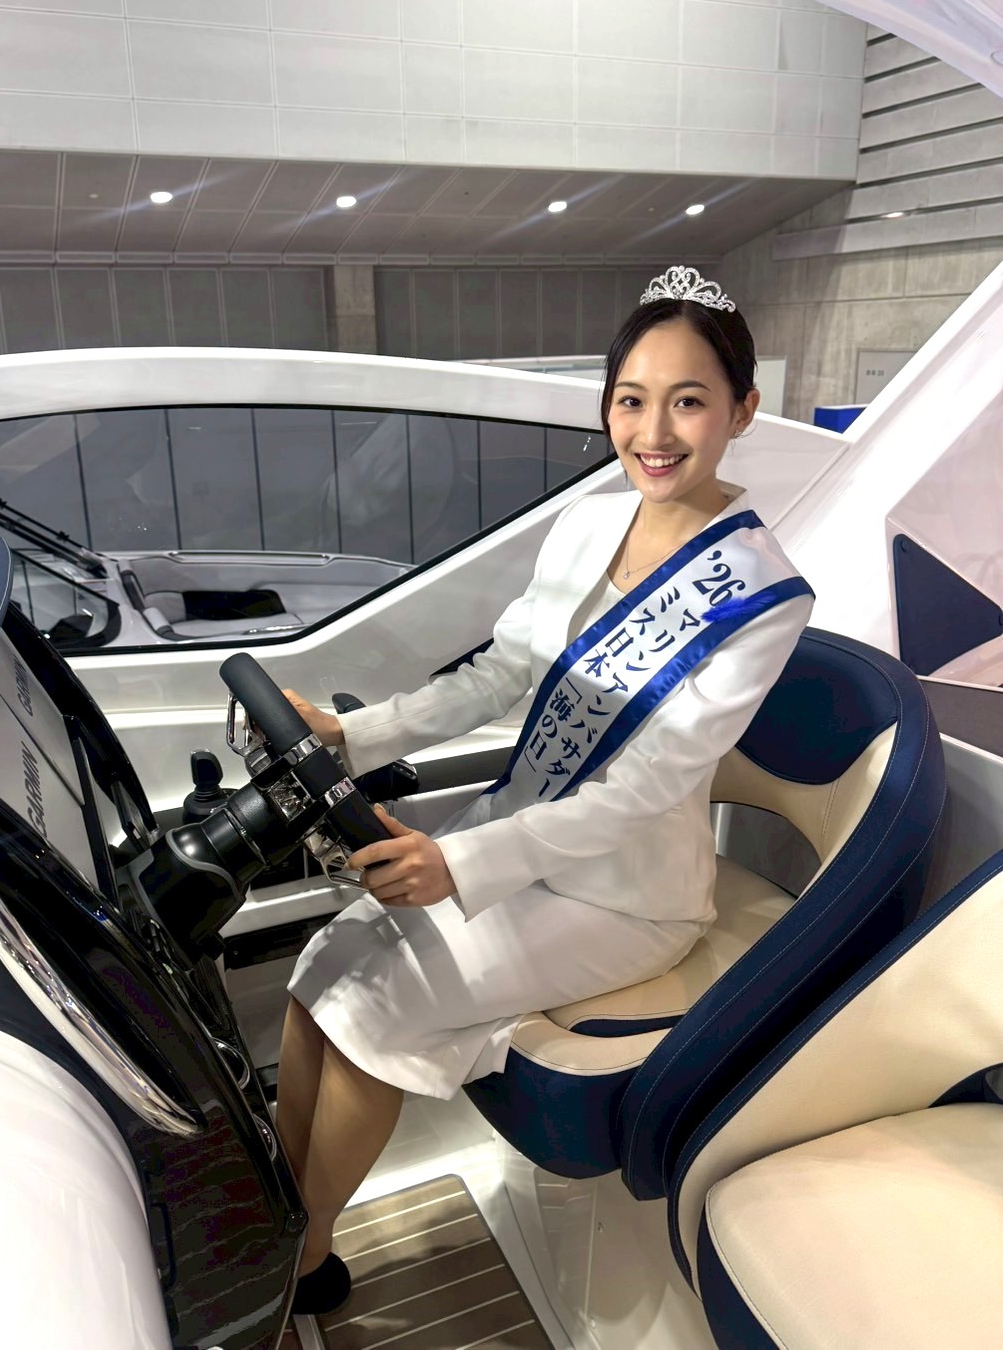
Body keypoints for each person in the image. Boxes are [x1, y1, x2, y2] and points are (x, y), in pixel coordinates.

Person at [275, 265, 814, 1315]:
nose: (653, 432)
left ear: (742, 409)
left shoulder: (762, 595)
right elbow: (500, 675)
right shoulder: (586, 525)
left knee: (376, 1008)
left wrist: (458, 861)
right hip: (521, 840)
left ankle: (296, 1263)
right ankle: (287, 1223)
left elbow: (647, 788)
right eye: (631, 399)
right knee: (321, 964)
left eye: (688, 401)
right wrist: (354, 732)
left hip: (629, 897)